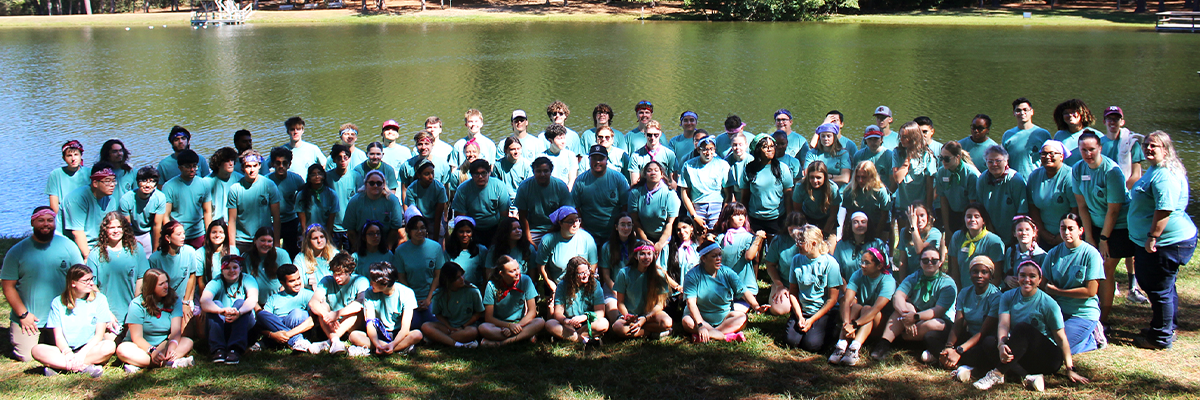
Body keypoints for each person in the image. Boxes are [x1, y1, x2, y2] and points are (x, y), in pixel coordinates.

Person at [959, 260, 1089, 392]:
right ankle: (1027, 377)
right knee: (989, 342)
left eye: (1032, 276)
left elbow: (1061, 339)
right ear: (1018, 277)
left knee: (1022, 328)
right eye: (1023, 275)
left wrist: (1070, 369)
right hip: (1022, 354)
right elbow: (1003, 324)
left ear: (1039, 280)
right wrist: (1001, 345)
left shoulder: (1049, 304)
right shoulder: (1007, 297)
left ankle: (996, 373)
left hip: (1046, 357)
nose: (1027, 280)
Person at [1127, 133, 1197, 349]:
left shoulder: (1164, 175)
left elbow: (1164, 208)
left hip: (1165, 242)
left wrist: (1152, 237)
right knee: (1164, 286)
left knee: (1158, 287)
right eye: (1146, 145)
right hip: (1166, 240)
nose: (1148, 149)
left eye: (1154, 146)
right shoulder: (1158, 169)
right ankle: (1166, 326)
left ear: (1165, 149)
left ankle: (1161, 337)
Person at [1072, 132, 1139, 323]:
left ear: (1100, 148)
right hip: (1094, 224)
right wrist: (1089, 238)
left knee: (1106, 268)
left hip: (1118, 226)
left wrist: (1103, 240)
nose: (1088, 154)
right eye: (1083, 150)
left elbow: (1114, 211)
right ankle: (1089, 311)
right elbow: (1082, 206)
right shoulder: (1077, 170)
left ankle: (1103, 320)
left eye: (1092, 149)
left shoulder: (1112, 171)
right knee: (1092, 267)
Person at [871, 244, 957, 361]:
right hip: (916, 317)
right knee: (905, 306)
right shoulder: (915, 277)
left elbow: (937, 311)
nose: (929, 263)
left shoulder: (947, 284)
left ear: (940, 262)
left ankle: (903, 338)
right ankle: (883, 344)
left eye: (934, 260)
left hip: (940, 320)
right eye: (925, 260)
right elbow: (898, 296)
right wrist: (905, 315)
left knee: (932, 324)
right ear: (920, 262)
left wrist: (914, 317)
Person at [34, 264, 118, 378]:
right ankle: (82, 367)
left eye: (91, 279)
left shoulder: (100, 299)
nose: (91, 283)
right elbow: (58, 336)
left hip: (89, 349)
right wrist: (67, 352)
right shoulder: (57, 302)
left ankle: (59, 367)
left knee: (109, 346)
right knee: (37, 350)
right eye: (85, 281)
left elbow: (99, 335)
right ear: (73, 283)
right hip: (65, 350)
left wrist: (81, 354)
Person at [1041, 213, 1105, 354]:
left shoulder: (1091, 254)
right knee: (1040, 341)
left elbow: (1090, 291)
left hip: (1082, 313)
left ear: (1080, 230)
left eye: (1071, 228)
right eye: (1063, 228)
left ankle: (1093, 338)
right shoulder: (1053, 253)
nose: (1066, 232)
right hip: (1058, 311)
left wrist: (1057, 291)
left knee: (1057, 349)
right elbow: (1042, 283)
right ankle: (1084, 339)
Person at [116, 269, 195, 373]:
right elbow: (137, 337)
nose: (166, 286)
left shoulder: (175, 301)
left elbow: (176, 331)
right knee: (122, 350)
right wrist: (152, 351)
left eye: (166, 282)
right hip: (140, 347)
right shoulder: (137, 305)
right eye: (161, 284)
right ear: (151, 287)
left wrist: (172, 346)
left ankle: (143, 363)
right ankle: (167, 362)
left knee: (188, 342)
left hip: (163, 344)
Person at [931, 256, 999, 370]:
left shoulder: (996, 297)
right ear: (970, 274)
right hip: (969, 335)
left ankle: (949, 360)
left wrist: (959, 350)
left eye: (984, 272)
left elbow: (983, 332)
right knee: (931, 336)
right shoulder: (964, 292)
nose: (979, 275)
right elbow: (958, 323)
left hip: (984, 339)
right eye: (975, 272)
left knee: (982, 350)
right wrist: (949, 346)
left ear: (991, 275)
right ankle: (948, 357)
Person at [829, 248, 894, 366]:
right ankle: (841, 345)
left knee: (867, 309)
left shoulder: (888, 281)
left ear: (879, 266)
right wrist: (846, 323)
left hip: (878, 321)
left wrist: (853, 325)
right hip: (858, 320)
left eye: (867, 263)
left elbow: (875, 309)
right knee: (856, 306)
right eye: (862, 262)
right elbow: (847, 299)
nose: (862, 265)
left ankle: (854, 348)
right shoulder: (858, 274)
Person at [682, 241, 754, 343]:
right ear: (703, 258)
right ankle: (726, 336)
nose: (718, 258)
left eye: (720, 255)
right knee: (687, 321)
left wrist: (756, 306)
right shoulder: (692, 275)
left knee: (742, 317)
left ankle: (709, 335)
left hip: (724, 318)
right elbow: (691, 304)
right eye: (714, 256)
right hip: (700, 319)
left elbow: (743, 290)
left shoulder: (727, 272)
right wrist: (700, 325)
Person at [785, 225, 843, 352]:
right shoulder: (796, 260)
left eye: (801, 242)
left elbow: (832, 299)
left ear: (813, 243)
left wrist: (812, 320)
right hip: (803, 310)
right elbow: (793, 292)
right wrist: (800, 316)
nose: (797, 245)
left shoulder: (830, 263)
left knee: (812, 345)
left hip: (822, 311)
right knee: (791, 341)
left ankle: (832, 330)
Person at [87, 212, 147, 330]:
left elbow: (141, 278)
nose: (116, 231)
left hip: (132, 310)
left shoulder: (136, 249)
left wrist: (135, 307)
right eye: (111, 228)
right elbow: (91, 285)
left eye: (119, 227)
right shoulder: (95, 254)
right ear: (105, 230)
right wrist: (106, 312)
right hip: (107, 313)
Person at [349, 261, 423, 356]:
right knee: (354, 335)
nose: (370, 283)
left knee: (417, 334)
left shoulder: (407, 293)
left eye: (373, 281)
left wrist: (393, 344)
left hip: (398, 333)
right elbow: (370, 322)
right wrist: (377, 343)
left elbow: (405, 327)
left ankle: (387, 348)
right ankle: (395, 348)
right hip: (378, 333)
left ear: (384, 285)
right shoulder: (369, 293)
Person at [199, 255, 259, 364]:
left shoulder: (248, 279)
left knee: (240, 303)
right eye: (227, 268)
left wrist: (239, 312)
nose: (231, 271)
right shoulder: (216, 281)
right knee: (215, 304)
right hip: (223, 326)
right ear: (221, 270)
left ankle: (235, 350)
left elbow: (253, 299)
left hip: (244, 328)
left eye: (235, 267)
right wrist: (220, 311)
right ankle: (218, 350)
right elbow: (204, 301)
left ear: (240, 268)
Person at [610, 241, 675, 339]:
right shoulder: (623, 273)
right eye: (642, 254)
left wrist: (645, 318)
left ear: (653, 256)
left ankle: (641, 331)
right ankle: (652, 333)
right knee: (618, 327)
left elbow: (660, 304)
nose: (646, 257)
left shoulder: (659, 274)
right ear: (636, 256)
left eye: (649, 254)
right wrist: (627, 315)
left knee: (667, 322)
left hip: (650, 314)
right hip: (631, 316)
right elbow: (620, 303)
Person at [308, 252, 368, 355]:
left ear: (349, 272)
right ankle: (335, 341)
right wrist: (326, 315)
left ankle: (328, 342)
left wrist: (337, 314)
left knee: (355, 312)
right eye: (334, 274)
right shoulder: (326, 281)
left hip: (352, 324)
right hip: (331, 324)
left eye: (340, 274)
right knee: (321, 306)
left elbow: (360, 303)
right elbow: (313, 302)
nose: (336, 278)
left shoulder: (360, 281)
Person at [393, 216, 447, 329]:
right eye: (415, 228)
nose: (419, 231)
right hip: (411, 298)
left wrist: (429, 299)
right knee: (413, 325)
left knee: (435, 324)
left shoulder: (435, 247)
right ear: (409, 231)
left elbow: (438, 276)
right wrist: (412, 300)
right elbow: (401, 277)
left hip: (432, 297)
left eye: (422, 228)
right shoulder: (400, 251)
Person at [141, 221, 199, 326]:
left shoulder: (190, 252)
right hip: (163, 302)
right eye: (178, 234)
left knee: (186, 331)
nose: (183, 237)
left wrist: (187, 302)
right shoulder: (155, 259)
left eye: (183, 233)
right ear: (168, 238)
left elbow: (192, 276)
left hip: (182, 300)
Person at [713, 203, 769, 312]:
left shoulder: (749, 237)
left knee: (735, 312)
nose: (740, 218)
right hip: (724, 288)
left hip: (745, 289)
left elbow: (749, 256)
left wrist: (758, 239)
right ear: (728, 218)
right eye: (736, 215)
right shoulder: (721, 238)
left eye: (743, 215)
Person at [478, 256, 544, 346]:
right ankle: (523, 337)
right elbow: (489, 318)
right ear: (502, 273)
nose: (517, 273)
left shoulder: (525, 280)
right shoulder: (491, 285)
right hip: (500, 325)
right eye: (512, 271)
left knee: (540, 322)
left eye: (517, 268)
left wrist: (517, 326)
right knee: (483, 328)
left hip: (521, 323)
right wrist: (508, 326)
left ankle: (502, 343)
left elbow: (532, 312)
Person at [227, 150, 283, 255]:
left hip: (264, 238)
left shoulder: (269, 185)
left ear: (259, 166)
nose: (252, 170)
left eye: (254, 166)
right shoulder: (235, 189)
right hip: (242, 240)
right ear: (242, 168)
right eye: (248, 166)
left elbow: (276, 217)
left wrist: (276, 243)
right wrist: (232, 246)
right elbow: (232, 220)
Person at [536, 206, 599, 299]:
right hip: (558, 285)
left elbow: (593, 264)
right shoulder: (548, 240)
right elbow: (541, 267)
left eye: (577, 220)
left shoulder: (587, 238)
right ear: (560, 223)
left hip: (582, 284)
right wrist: (553, 287)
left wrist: (584, 282)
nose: (575, 224)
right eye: (570, 221)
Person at [573, 147, 631, 244]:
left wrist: (619, 229)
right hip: (589, 233)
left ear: (607, 160)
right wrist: (581, 229)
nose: (598, 162)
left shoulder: (618, 179)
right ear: (589, 160)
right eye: (594, 159)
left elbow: (625, 205)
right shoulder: (580, 181)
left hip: (614, 232)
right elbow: (575, 207)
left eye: (601, 159)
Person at [1026, 140, 1079, 248]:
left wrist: (1062, 235)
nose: (1047, 156)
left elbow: (1076, 209)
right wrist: (1042, 232)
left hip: (1068, 234)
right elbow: (1033, 207)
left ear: (1061, 156)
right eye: (1044, 153)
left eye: (1052, 153)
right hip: (1044, 233)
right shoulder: (1035, 176)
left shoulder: (1070, 176)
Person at [254, 263, 317, 352]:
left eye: (298, 278)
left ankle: (267, 342)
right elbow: (263, 323)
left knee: (297, 313)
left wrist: (287, 334)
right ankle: (298, 341)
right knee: (261, 314)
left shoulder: (307, 295)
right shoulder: (274, 298)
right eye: (292, 281)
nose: (297, 283)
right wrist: (272, 335)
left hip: (298, 327)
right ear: (282, 283)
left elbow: (312, 321)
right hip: (277, 324)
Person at [64, 163, 121, 258]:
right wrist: (88, 257)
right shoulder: (78, 199)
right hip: (74, 247)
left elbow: (111, 227)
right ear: (95, 183)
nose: (112, 185)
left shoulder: (111, 200)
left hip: (98, 246)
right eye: (107, 181)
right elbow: (77, 232)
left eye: (113, 181)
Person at [739, 135, 794, 235]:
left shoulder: (782, 168)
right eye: (765, 147)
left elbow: (788, 195)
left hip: (777, 218)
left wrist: (789, 218)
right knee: (755, 248)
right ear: (757, 150)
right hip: (755, 218)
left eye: (772, 146)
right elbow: (745, 197)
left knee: (775, 248)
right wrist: (744, 219)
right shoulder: (749, 169)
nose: (769, 149)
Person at [421, 262, 484, 348]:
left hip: (466, 327)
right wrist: (449, 327)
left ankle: (438, 339)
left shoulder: (472, 291)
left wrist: (463, 326)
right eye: (457, 278)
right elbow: (438, 314)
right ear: (448, 281)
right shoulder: (439, 294)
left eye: (462, 275)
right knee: (426, 326)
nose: (462, 279)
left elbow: (479, 312)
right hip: (448, 327)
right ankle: (457, 344)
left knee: (473, 332)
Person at [548, 256, 609, 345]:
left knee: (604, 323)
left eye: (587, 271)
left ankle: (569, 337)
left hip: (588, 323)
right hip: (569, 324)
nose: (585, 275)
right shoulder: (562, 286)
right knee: (550, 324)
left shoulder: (595, 284)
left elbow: (600, 313)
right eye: (581, 273)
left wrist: (584, 317)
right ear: (572, 275)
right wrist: (567, 321)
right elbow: (558, 313)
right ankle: (584, 340)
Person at [975, 145, 1028, 247]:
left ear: (1006, 161)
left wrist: (1015, 235)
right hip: (990, 231)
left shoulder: (1015, 180)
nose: (994, 164)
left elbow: (1022, 213)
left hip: (1013, 234)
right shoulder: (982, 179)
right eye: (990, 161)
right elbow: (980, 208)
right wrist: (990, 231)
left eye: (998, 161)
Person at [629, 160, 680, 264]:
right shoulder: (636, 193)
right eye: (649, 171)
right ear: (644, 175)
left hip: (665, 239)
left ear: (661, 174)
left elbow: (671, 223)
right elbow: (635, 220)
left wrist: (660, 244)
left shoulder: (670, 194)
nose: (653, 173)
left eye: (656, 170)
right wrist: (646, 241)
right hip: (643, 237)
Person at [516, 156, 573, 247]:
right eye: (538, 171)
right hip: (533, 229)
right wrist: (529, 239)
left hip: (557, 228)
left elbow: (567, 213)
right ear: (533, 172)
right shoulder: (524, 187)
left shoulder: (560, 186)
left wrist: (552, 231)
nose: (542, 174)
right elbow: (523, 216)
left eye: (545, 171)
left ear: (551, 172)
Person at [162, 150, 213, 250]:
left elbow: (207, 211)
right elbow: (165, 216)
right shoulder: (169, 187)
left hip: (199, 234)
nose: (192, 169)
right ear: (180, 168)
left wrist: (208, 233)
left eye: (195, 166)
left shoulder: (204, 184)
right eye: (188, 166)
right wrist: (171, 236)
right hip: (178, 235)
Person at [343, 170, 403, 251]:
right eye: (371, 183)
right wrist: (357, 248)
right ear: (365, 184)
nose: (375, 186)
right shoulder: (355, 201)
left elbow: (395, 228)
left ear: (384, 185)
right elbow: (350, 230)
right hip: (361, 241)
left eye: (379, 183)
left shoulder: (392, 201)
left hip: (385, 240)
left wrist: (388, 248)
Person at [947, 204, 1005, 289]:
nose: (972, 219)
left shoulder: (993, 241)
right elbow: (955, 270)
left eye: (976, 216)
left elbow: (997, 277)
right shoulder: (957, 237)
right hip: (964, 292)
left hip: (988, 293)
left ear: (983, 220)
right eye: (969, 216)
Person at [453, 159, 511, 243]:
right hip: (472, 228)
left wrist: (501, 234)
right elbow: (461, 217)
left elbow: (504, 215)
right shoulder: (463, 189)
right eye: (476, 174)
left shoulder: (499, 186)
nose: (480, 177)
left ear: (489, 173)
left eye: (483, 173)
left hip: (494, 227)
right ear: (471, 175)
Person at [679, 136, 730, 231]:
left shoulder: (722, 165)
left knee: (715, 236)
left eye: (711, 149)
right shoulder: (688, 165)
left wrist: (722, 217)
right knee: (698, 236)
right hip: (697, 207)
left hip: (717, 208)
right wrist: (694, 216)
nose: (708, 153)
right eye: (705, 149)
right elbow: (685, 194)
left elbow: (728, 194)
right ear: (698, 150)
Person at [891, 122, 937, 223]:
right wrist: (908, 158)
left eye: (905, 137)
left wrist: (928, 209)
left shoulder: (927, 155)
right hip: (903, 204)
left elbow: (930, 186)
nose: (901, 139)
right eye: (900, 136)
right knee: (904, 236)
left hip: (921, 205)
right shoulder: (897, 153)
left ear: (913, 138)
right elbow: (898, 178)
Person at [397, 130, 454, 208]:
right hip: (415, 209)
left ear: (432, 145)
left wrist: (445, 213)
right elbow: (404, 191)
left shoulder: (443, 164)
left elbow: (446, 190)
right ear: (416, 145)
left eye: (427, 144)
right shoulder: (407, 165)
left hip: (436, 209)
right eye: (420, 144)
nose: (423, 147)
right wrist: (407, 212)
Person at [267, 147, 307, 256]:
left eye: (284, 163)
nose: (281, 166)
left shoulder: (297, 179)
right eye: (278, 163)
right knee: (271, 252)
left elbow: (305, 201)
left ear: (289, 165)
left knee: (294, 252)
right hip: (271, 222)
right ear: (272, 164)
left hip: (291, 220)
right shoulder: (266, 181)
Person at [764, 214, 806, 316]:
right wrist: (779, 285)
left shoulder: (810, 240)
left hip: (806, 285)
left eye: (798, 229)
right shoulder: (779, 240)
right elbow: (770, 264)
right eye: (791, 230)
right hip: (785, 284)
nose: (794, 233)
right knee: (779, 309)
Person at [119, 166, 166, 255]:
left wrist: (155, 251)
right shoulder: (126, 199)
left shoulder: (160, 198)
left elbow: (157, 225)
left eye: (152, 181)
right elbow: (127, 226)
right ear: (138, 182)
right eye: (144, 181)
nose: (148, 185)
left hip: (149, 232)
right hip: (133, 232)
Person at [832, 211, 889, 284]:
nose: (860, 225)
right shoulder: (841, 245)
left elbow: (884, 269)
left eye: (863, 222)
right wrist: (847, 290)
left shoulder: (877, 243)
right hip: (848, 287)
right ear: (850, 225)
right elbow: (837, 272)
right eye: (856, 222)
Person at [936, 141, 980, 234]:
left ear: (958, 157)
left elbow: (973, 204)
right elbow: (943, 201)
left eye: (947, 159)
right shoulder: (942, 172)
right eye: (941, 158)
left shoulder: (971, 174)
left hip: (969, 214)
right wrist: (947, 229)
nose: (943, 161)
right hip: (952, 211)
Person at [1001, 98, 1052, 179]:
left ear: (1032, 112)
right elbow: (1003, 160)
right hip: (1014, 181)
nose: (1022, 113)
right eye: (1018, 110)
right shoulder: (1008, 135)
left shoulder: (1043, 134)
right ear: (1014, 113)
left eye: (1025, 110)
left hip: (1037, 180)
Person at [842, 161, 893, 241]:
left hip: (878, 223)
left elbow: (884, 216)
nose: (860, 180)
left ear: (871, 177)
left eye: (864, 177)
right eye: (858, 177)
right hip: (858, 223)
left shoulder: (880, 191)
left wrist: (876, 236)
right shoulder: (850, 191)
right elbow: (849, 215)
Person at [47, 140, 90, 233]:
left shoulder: (89, 173)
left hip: (85, 219)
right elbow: (54, 204)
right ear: (64, 158)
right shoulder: (56, 175)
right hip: (63, 221)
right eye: (69, 155)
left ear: (81, 156)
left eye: (76, 155)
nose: (73, 158)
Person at [599, 214, 637, 314]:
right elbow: (606, 277)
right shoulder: (607, 247)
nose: (626, 228)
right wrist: (617, 292)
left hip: (634, 288)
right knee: (615, 315)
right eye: (623, 224)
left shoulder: (637, 246)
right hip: (613, 289)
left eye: (629, 225)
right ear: (616, 227)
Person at [1098, 106, 1143, 189]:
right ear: (1104, 122)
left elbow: (1136, 175)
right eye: (1109, 119)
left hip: (1125, 191)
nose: (1112, 122)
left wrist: (1120, 191)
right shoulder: (1097, 144)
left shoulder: (1132, 143)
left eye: (1116, 119)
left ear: (1122, 122)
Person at [793, 161, 842, 237]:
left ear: (825, 177)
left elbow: (833, 214)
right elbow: (797, 211)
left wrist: (824, 234)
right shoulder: (800, 187)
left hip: (827, 219)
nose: (815, 181)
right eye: (812, 177)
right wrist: (808, 230)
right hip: (807, 218)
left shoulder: (833, 188)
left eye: (818, 177)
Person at [404, 160, 448, 241]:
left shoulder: (440, 188)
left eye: (432, 173)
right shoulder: (411, 189)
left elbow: (438, 216)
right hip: (418, 218)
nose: (431, 177)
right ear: (418, 175)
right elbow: (412, 211)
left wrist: (435, 240)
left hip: (434, 219)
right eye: (426, 174)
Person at [244, 227, 291, 302]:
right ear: (255, 241)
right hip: (254, 303)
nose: (266, 244)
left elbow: (289, 279)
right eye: (262, 240)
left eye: (269, 241)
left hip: (278, 300)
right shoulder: (246, 257)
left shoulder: (282, 255)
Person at [327, 144, 360, 249]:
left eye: (345, 157)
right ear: (334, 160)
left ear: (349, 159)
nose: (342, 160)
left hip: (350, 227)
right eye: (339, 158)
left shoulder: (356, 176)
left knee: (351, 255)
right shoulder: (327, 177)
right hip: (333, 227)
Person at [1000, 216, 1046, 290]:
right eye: (1020, 230)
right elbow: (1004, 272)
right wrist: (1006, 278)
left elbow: (1043, 283)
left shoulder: (1041, 255)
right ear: (1014, 233)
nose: (1024, 233)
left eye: (1027, 230)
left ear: (1034, 233)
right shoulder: (1010, 251)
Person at [1051, 99, 1101, 167]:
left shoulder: (1095, 135)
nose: (1070, 115)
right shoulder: (1059, 135)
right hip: (1066, 175)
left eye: (1073, 112)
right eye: (1066, 113)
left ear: (1082, 113)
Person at [897, 201, 940, 278]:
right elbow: (902, 260)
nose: (919, 220)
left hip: (929, 276)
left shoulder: (935, 233)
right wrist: (902, 281)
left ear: (927, 216)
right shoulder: (904, 232)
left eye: (922, 215)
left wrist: (914, 227)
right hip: (911, 277)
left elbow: (920, 251)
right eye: (916, 216)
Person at [628, 121, 677, 185]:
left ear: (660, 134)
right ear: (645, 134)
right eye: (649, 135)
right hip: (643, 191)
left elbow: (673, 182)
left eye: (656, 135)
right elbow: (634, 183)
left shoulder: (670, 154)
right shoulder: (636, 156)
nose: (652, 138)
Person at [446, 216, 489, 287]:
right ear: (456, 233)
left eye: (468, 232)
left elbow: (485, 276)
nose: (465, 235)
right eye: (461, 231)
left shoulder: (481, 250)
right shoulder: (449, 251)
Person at [296, 164, 339, 234]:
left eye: (319, 174)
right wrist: (305, 236)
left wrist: (327, 236)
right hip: (308, 232)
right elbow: (302, 221)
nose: (317, 177)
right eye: (313, 174)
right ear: (309, 178)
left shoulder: (332, 194)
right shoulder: (301, 195)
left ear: (324, 176)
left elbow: (331, 219)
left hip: (324, 232)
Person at [207, 147, 244, 225]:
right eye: (227, 161)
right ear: (218, 164)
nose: (231, 164)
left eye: (232, 160)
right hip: (214, 225)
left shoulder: (240, 179)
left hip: (235, 224)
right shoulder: (206, 182)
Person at [199, 220, 234, 300]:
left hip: (229, 294)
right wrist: (205, 302)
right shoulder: (200, 253)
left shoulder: (234, 251)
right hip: (208, 295)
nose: (217, 235)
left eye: (221, 232)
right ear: (209, 234)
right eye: (214, 232)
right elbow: (201, 282)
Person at [493, 137, 533, 204]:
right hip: (504, 201)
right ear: (506, 151)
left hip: (522, 201)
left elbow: (530, 189)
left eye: (518, 149)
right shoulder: (498, 166)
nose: (516, 152)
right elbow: (495, 188)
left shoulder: (527, 165)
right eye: (512, 149)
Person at [541, 123, 579, 188]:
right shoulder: (542, 157)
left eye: (564, 138)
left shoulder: (570, 155)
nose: (563, 141)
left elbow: (572, 180)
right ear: (550, 141)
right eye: (559, 139)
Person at [724, 133, 753, 204]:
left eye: (740, 144)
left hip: (749, 194)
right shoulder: (726, 162)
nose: (737, 148)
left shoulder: (751, 161)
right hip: (732, 194)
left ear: (746, 145)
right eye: (735, 145)